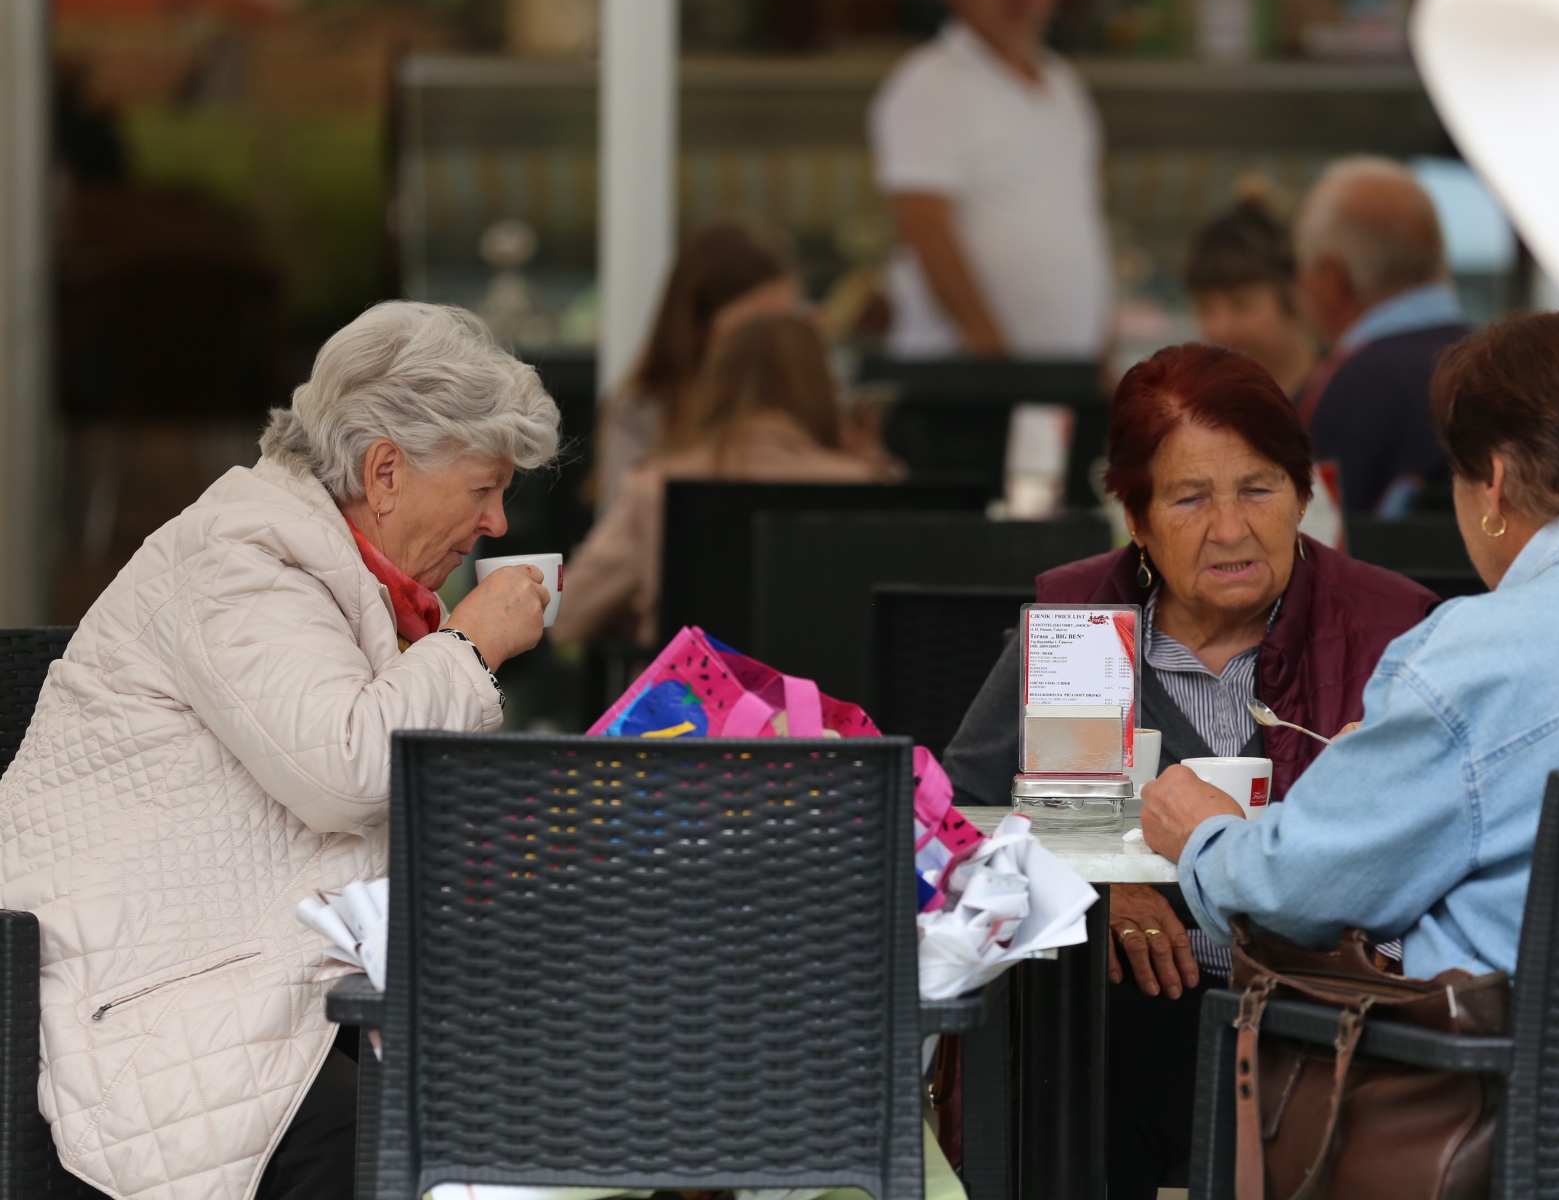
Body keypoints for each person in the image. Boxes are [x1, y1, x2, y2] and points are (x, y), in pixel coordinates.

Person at [0, 302, 561, 1200]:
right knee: (453, 1135)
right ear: (385, 471)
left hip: (252, 971)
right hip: (151, 1003)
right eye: (483, 488)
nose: (496, 522)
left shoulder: (340, 576)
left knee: (531, 1093)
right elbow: (341, 774)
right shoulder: (242, 557)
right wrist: (469, 648)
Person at [1142, 312, 1559, 991]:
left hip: (1525, 1088)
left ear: (1494, 484)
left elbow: (1295, 898)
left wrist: (1206, 837)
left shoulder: (1469, 656)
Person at [940, 342, 1436, 1198]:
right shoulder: (1085, 626)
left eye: (1258, 489)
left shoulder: (1391, 631)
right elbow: (954, 816)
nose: (1232, 529)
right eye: (1189, 498)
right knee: (1094, 1041)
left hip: (1332, 1005)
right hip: (1139, 1016)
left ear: (1302, 494)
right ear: (1136, 521)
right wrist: (1092, 891)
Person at [557, 313, 900, 646]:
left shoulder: (655, 485)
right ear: (823, 384)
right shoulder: (869, 485)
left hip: (694, 701)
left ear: (714, 382)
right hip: (828, 701)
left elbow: (568, 614)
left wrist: (640, 614)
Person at [870, 0, 1111, 361]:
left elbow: (1085, 222)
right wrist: (991, 354)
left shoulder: (1065, 86)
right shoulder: (930, 83)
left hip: (1067, 375)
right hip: (967, 379)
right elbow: (925, 228)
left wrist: (1104, 338)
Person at [1292, 157, 1473, 518]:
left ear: (1331, 279)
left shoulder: (1340, 386)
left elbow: (1311, 549)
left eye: (1303, 270)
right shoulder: (1510, 364)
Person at [594, 221, 800, 512]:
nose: (766, 347)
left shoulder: (812, 407)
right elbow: (622, 525)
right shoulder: (641, 415)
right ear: (697, 326)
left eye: (785, 328)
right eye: (749, 332)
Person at [1184, 193, 1319, 397]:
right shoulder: (1197, 411)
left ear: (1294, 293)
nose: (1219, 328)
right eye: (1204, 307)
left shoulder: (1347, 397)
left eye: (1241, 304)